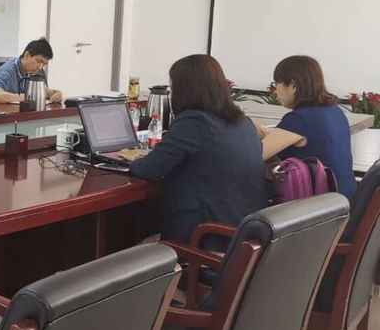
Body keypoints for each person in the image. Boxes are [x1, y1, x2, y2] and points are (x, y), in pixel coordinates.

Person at [121, 55, 266, 243]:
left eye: (172, 87)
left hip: (204, 238)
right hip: (241, 237)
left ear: (185, 90)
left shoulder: (194, 122)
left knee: (130, 250)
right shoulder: (244, 123)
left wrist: (135, 159)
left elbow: (149, 169)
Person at [260, 55, 355, 200]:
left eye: (277, 83)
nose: (275, 90)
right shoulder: (335, 111)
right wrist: (264, 132)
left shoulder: (299, 120)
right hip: (345, 200)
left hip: (319, 205)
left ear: (293, 86)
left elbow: (254, 155)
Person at [0, 37, 62, 104]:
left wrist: (57, 93)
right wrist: (27, 98)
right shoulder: (9, 70)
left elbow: (43, 93)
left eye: (44, 64)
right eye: (39, 61)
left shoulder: (33, 72)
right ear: (27, 55)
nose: (40, 67)